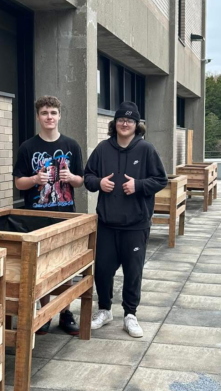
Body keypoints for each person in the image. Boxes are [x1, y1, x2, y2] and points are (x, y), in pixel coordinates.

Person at [84, 101, 168, 338]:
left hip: (136, 224)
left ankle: (130, 314)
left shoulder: (146, 149)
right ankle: (104, 310)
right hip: (106, 224)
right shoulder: (103, 149)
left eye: (130, 120)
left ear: (136, 125)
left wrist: (138, 185)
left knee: (133, 272)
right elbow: (87, 176)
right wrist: (99, 182)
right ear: (115, 123)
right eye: (121, 119)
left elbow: (160, 180)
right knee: (102, 270)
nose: (125, 123)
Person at [13, 95, 84, 336]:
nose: (49, 117)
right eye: (44, 113)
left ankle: (65, 312)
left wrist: (71, 178)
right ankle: (45, 313)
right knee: (41, 267)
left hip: (65, 215)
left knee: (65, 265)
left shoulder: (72, 146)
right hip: (36, 218)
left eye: (53, 113)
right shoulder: (27, 147)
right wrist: (35, 179)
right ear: (38, 117)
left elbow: (81, 180)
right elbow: (19, 183)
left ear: (59, 116)